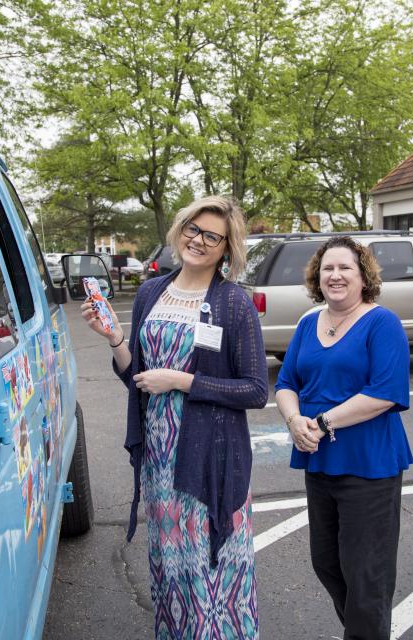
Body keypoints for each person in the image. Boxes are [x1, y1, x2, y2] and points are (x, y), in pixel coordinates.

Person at [81, 195, 268, 639]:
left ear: (227, 249)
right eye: (192, 229)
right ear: (179, 231)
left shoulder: (233, 304)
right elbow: (139, 378)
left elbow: (256, 389)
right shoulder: (151, 292)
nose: (197, 240)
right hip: (160, 460)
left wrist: (182, 382)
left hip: (210, 459)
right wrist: (114, 340)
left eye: (211, 236)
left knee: (212, 563)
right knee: (173, 565)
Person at [274, 236, 412, 640]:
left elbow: (385, 392)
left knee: (366, 573)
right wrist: (295, 419)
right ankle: (361, 631)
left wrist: (320, 422)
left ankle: (364, 633)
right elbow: (286, 383)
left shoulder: (381, 323)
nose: (335, 275)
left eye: (345, 268)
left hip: (369, 464)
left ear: (363, 276)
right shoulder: (307, 322)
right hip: (319, 461)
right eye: (327, 268)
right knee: (328, 563)